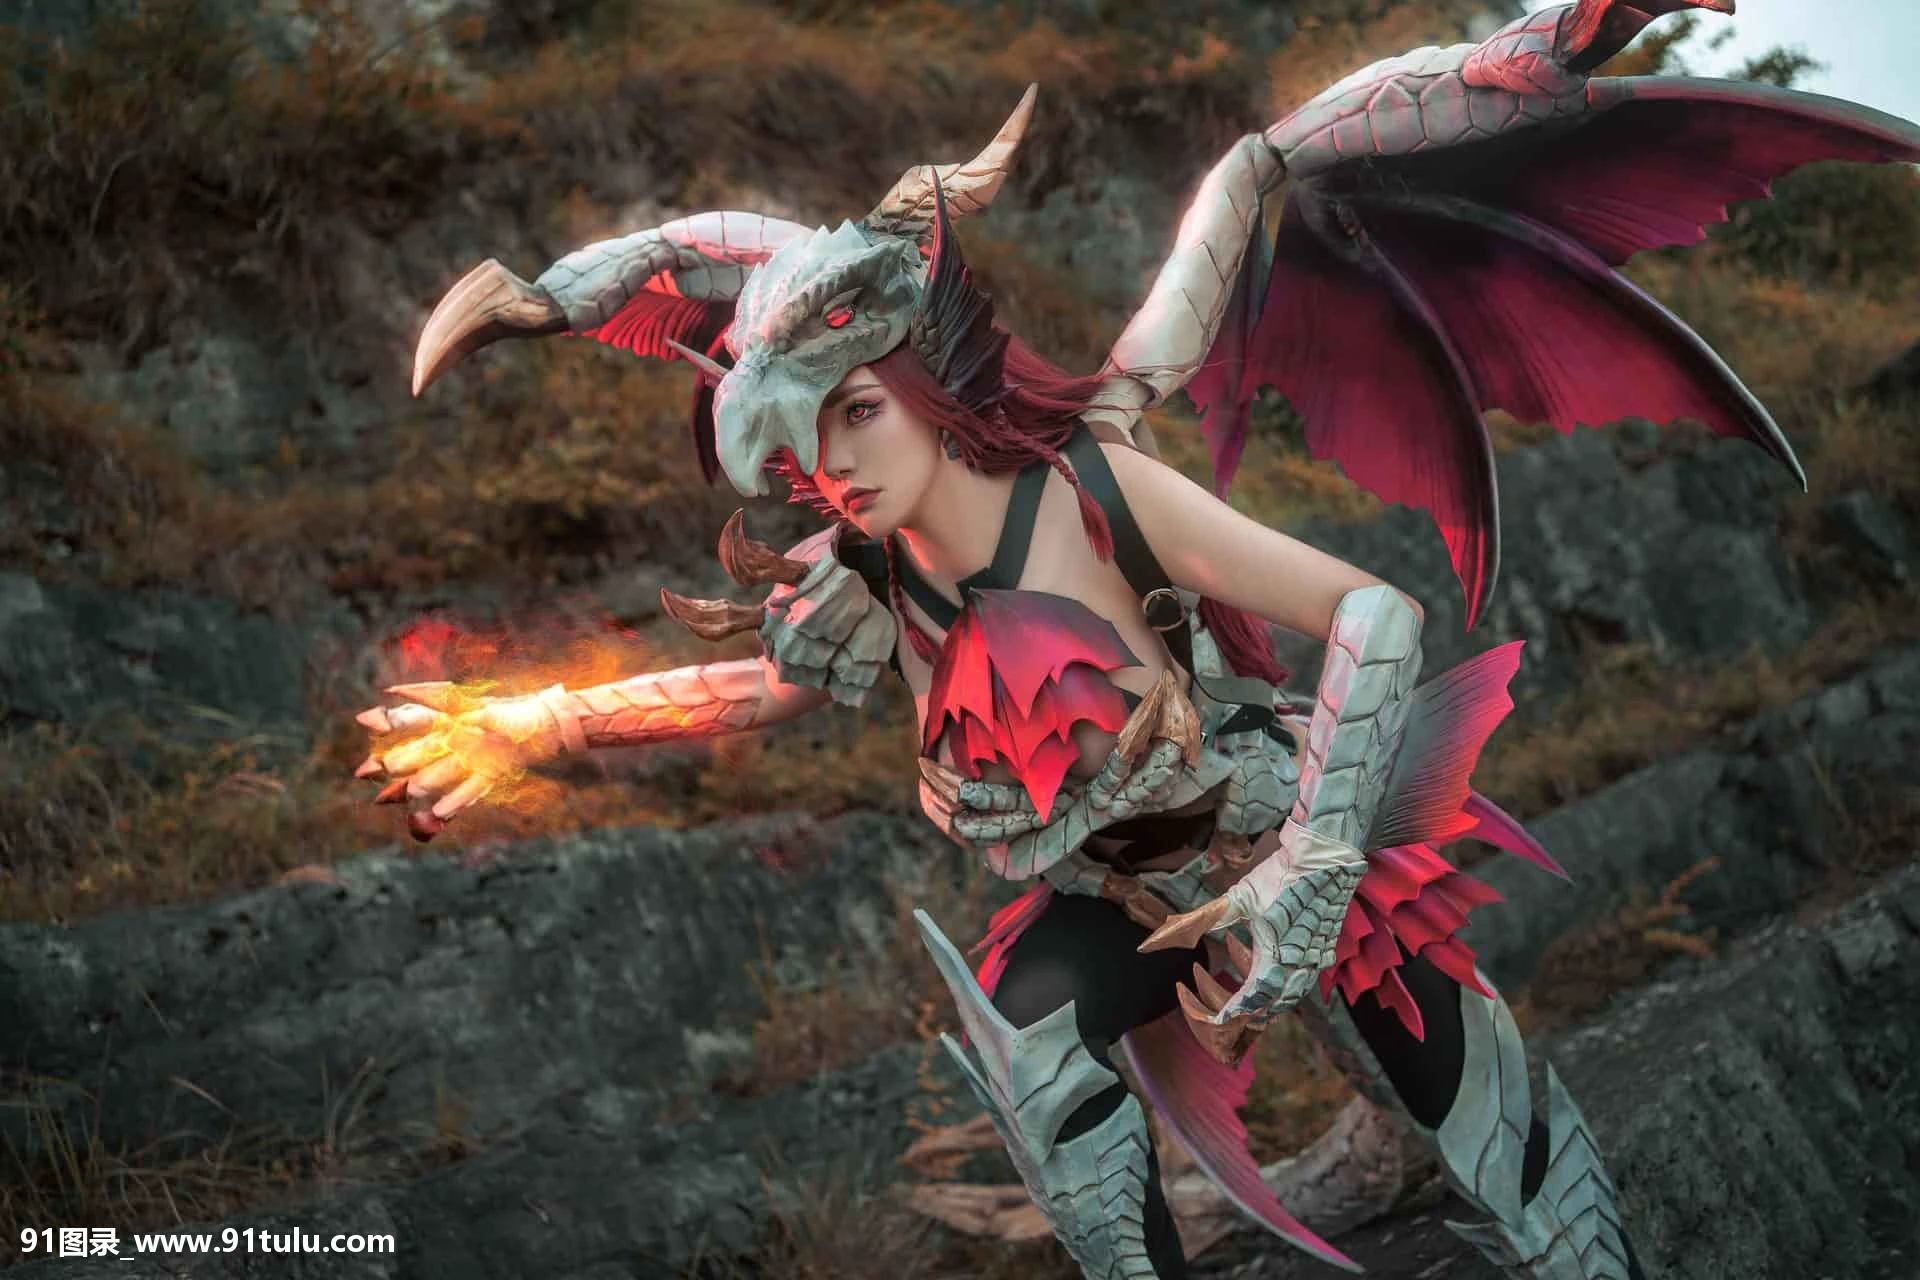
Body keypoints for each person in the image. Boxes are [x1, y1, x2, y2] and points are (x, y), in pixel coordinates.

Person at [353, 3, 1920, 1276]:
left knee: (1507, 1151)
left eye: (856, 413)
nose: (835, 467)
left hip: (1282, 837)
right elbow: (757, 692)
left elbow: (1368, 599)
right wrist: (529, 724)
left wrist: (1537, 56)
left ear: (919, 379)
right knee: (1037, 1047)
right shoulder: (874, 574)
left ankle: (1474, 1184)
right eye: (804, 446)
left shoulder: (1099, 474)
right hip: (1119, 899)